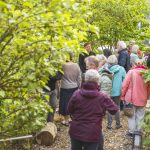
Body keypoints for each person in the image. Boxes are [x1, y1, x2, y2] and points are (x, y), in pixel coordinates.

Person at [68, 69, 118, 150]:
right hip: (93, 132)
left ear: (85, 79)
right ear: (98, 81)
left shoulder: (76, 94)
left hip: (76, 130)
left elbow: (70, 110)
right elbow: (114, 110)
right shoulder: (102, 96)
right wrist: (103, 108)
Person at [121, 60, 150, 137]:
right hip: (143, 98)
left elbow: (124, 85)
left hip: (131, 98)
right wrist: (147, 97)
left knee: (131, 116)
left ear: (134, 65)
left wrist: (122, 96)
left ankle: (131, 132)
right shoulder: (147, 73)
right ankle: (138, 132)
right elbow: (149, 88)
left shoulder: (131, 72)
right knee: (140, 115)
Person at [59, 53, 81, 126]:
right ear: (72, 57)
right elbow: (79, 77)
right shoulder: (76, 65)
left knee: (65, 103)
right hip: (74, 86)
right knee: (74, 102)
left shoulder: (62, 65)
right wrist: (79, 86)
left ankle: (66, 120)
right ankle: (72, 119)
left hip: (65, 87)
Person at [107, 55, 126, 129]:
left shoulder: (105, 69)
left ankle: (109, 124)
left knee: (109, 107)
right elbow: (125, 80)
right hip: (118, 91)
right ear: (116, 61)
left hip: (108, 91)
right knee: (117, 106)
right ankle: (118, 124)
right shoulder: (121, 69)